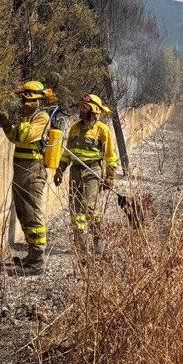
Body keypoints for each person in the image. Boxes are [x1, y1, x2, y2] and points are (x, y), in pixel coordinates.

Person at [54, 94, 120, 251]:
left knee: (90, 207)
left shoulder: (102, 130)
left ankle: (98, 240)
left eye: (85, 107)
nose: (81, 110)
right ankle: (79, 244)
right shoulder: (74, 129)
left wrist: (110, 177)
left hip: (93, 171)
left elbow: (111, 156)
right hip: (76, 171)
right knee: (75, 209)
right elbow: (67, 153)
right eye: (80, 106)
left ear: (94, 110)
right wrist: (60, 170)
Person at [0, 80, 52, 272]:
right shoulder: (28, 118)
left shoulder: (41, 117)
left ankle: (38, 260)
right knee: (23, 212)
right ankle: (31, 256)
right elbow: (14, 136)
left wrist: (21, 118)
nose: (23, 103)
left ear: (37, 101)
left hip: (33, 170)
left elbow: (24, 136)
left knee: (33, 213)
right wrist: (4, 120)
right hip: (21, 170)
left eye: (27, 99)